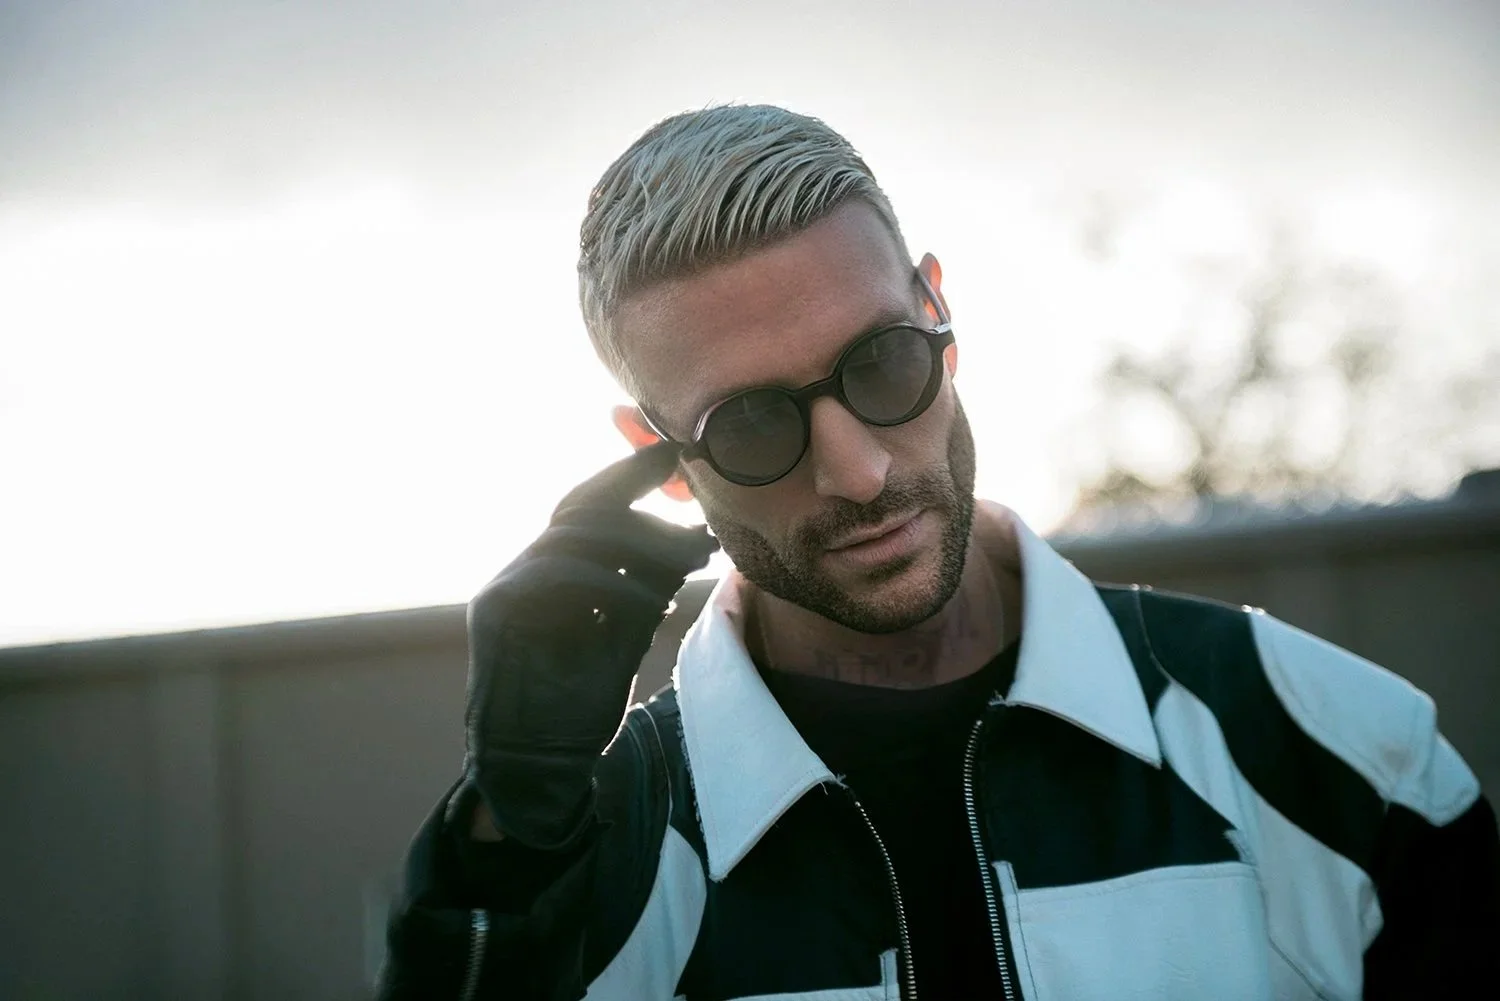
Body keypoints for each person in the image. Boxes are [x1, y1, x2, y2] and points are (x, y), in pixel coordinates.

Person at [376, 105, 1499, 1001]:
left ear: (940, 313)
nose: (859, 471)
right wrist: (502, 853)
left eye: (883, 364)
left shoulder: (1337, 750)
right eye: (757, 427)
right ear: (658, 456)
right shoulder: (587, 865)